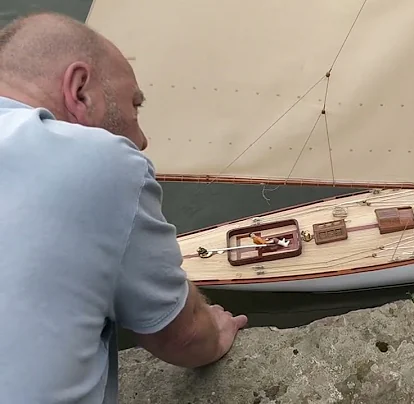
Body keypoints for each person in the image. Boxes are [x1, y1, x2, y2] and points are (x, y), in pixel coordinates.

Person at [0, 12, 248, 404]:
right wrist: (214, 331)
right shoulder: (97, 157)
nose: (141, 138)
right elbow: (182, 336)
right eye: (134, 106)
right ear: (80, 91)